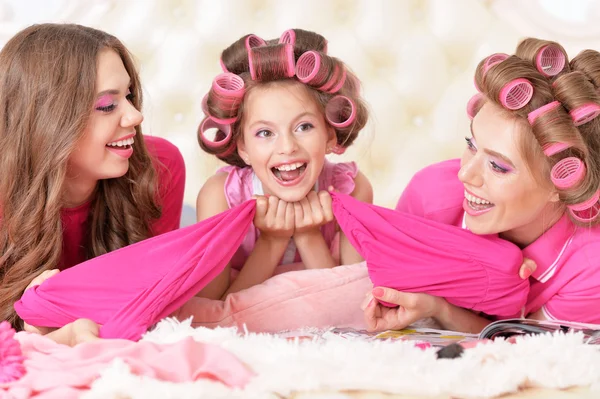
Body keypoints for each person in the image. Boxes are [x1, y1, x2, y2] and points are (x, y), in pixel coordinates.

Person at [363, 38, 600, 333]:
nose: (465, 174)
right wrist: (434, 307)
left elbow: (528, 350)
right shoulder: (432, 193)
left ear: (563, 180)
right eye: (472, 145)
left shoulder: (591, 266)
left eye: (498, 166)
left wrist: (443, 309)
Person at [0, 23, 186, 344]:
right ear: (47, 119)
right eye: (106, 105)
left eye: (128, 96)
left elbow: (157, 302)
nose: (134, 116)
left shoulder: (159, 168)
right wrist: (39, 334)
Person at [195, 29, 373, 299]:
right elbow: (212, 310)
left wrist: (308, 235)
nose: (287, 147)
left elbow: (355, 305)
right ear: (242, 147)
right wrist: (272, 241)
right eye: (265, 133)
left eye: (304, 126)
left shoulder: (352, 188)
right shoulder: (219, 196)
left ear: (329, 135)